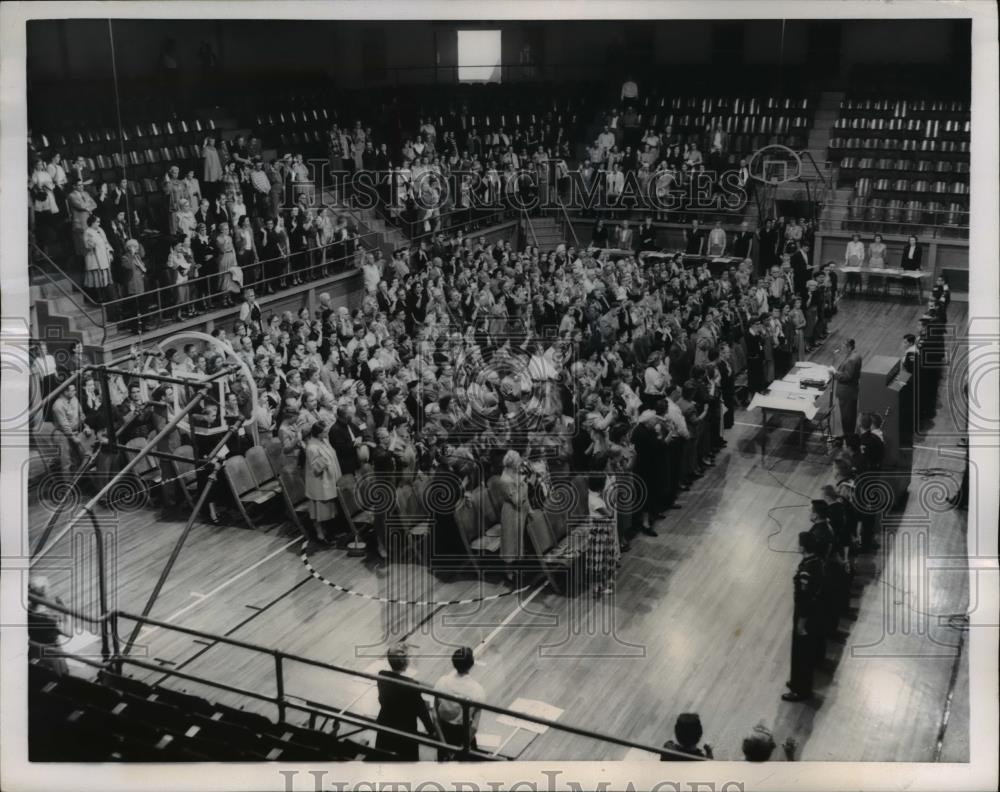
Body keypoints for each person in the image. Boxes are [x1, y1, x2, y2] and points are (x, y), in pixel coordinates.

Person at [375, 645, 441, 761]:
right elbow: (422, 712)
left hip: (385, 725)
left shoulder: (382, 675)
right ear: (406, 663)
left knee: (382, 757)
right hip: (405, 732)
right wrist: (432, 731)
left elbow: (385, 698)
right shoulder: (412, 685)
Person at [783, 531, 825, 702]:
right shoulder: (816, 562)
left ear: (803, 547)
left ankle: (800, 689)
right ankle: (798, 683)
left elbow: (804, 598)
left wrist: (801, 623)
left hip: (805, 615)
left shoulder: (806, 570)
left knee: (801, 653)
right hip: (814, 612)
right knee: (804, 652)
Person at [433, 646, 486, 760]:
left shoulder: (441, 682)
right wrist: (460, 750)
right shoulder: (477, 690)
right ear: (471, 664)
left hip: (444, 734)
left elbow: (435, 716)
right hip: (464, 737)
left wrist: (444, 746)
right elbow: (474, 727)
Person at [303, 421, 342, 546]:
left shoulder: (324, 440)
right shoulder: (311, 447)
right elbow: (316, 468)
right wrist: (325, 461)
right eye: (325, 431)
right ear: (319, 433)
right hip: (319, 483)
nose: (327, 432)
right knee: (320, 512)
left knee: (330, 511)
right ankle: (321, 535)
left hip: (330, 480)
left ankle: (330, 532)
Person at [833, 338, 862, 437]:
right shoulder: (856, 355)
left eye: (843, 347)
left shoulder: (851, 360)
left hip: (846, 393)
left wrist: (835, 374)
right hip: (852, 391)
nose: (841, 348)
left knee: (846, 418)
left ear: (849, 348)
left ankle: (848, 438)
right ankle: (849, 437)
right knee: (850, 416)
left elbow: (847, 377)